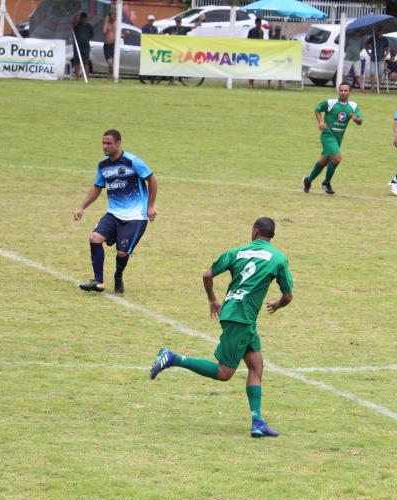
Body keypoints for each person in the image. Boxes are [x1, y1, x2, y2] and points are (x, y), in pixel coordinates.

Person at [150, 217, 293, 438]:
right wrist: (277, 304)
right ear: (271, 235)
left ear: (255, 232)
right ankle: (173, 358)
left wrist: (212, 300)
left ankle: (258, 421)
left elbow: (207, 274)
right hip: (242, 319)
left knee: (256, 366)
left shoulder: (236, 252)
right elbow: (288, 296)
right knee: (224, 372)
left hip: (236, 314)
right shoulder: (279, 259)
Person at [73, 130, 157, 295]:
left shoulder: (133, 162)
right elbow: (97, 188)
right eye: (103, 143)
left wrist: (151, 205)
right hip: (113, 213)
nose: (105, 146)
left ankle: (118, 276)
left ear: (118, 143)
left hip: (136, 216)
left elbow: (152, 179)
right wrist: (81, 207)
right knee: (94, 238)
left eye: (109, 143)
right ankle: (98, 281)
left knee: (122, 252)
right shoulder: (103, 165)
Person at [302, 83, 363, 195]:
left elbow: (360, 121)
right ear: (338, 91)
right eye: (341, 90)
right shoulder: (330, 103)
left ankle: (308, 180)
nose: (343, 93)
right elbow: (317, 109)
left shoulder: (353, 106)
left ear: (350, 92)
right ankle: (326, 183)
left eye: (346, 91)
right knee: (336, 158)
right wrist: (321, 122)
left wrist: (355, 118)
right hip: (327, 135)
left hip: (338, 138)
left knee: (324, 160)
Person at [71, 11, 93, 79]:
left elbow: (92, 35)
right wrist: (78, 14)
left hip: (86, 46)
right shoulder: (77, 25)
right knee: (77, 61)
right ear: (80, 18)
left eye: (85, 18)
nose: (84, 20)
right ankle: (77, 77)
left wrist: (86, 38)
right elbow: (74, 23)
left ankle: (86, 76)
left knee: (86, 61)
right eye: (82, 18)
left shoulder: (89, 26)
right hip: (78, 46)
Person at [102, 11, 116, 76]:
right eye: (113, 16)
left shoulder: (115, 24)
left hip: (114, 45)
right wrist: (106, 20)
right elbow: (104, 31)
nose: (114, 17)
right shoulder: (107, 24)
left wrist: (125, 34)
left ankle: (110, 76)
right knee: (110, 63)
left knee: (113, 63)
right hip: (107, 45)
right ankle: (111, 75)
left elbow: (119, 35)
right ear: (110, 17)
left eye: (115, 16)